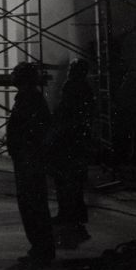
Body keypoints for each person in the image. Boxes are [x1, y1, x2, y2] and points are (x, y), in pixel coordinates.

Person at [6, 62, 56, 269]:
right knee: (32, 205)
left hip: (29, 160)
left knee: (33, 205)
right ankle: (39, 249)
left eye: (16, 74)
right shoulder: (29, 98)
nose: (12, 77)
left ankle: (42, 250)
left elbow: (33, 131)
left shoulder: (30, 99)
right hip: (26, 159)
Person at [50, 59, 94, 247]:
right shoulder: (83, 89)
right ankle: (72, 214)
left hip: (69, 142)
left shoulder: (74, 88)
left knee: (67, 180)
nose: (68, 72)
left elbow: (65, 114)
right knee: (73, 181)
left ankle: (69, 215)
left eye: (71, 69)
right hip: (75, 142)